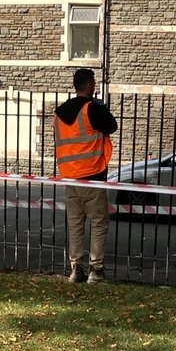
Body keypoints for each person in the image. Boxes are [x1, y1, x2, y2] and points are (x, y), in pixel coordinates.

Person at [53, 67, 117, 284]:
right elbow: (112, 126)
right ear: (90, 85)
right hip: (92, 176)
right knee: (99, 223)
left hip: (70, 178)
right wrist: (102, 107)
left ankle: (76, 269)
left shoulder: (59, 114)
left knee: (75, 224)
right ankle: (96, 271)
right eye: (94, 83)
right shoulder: (92, 109)